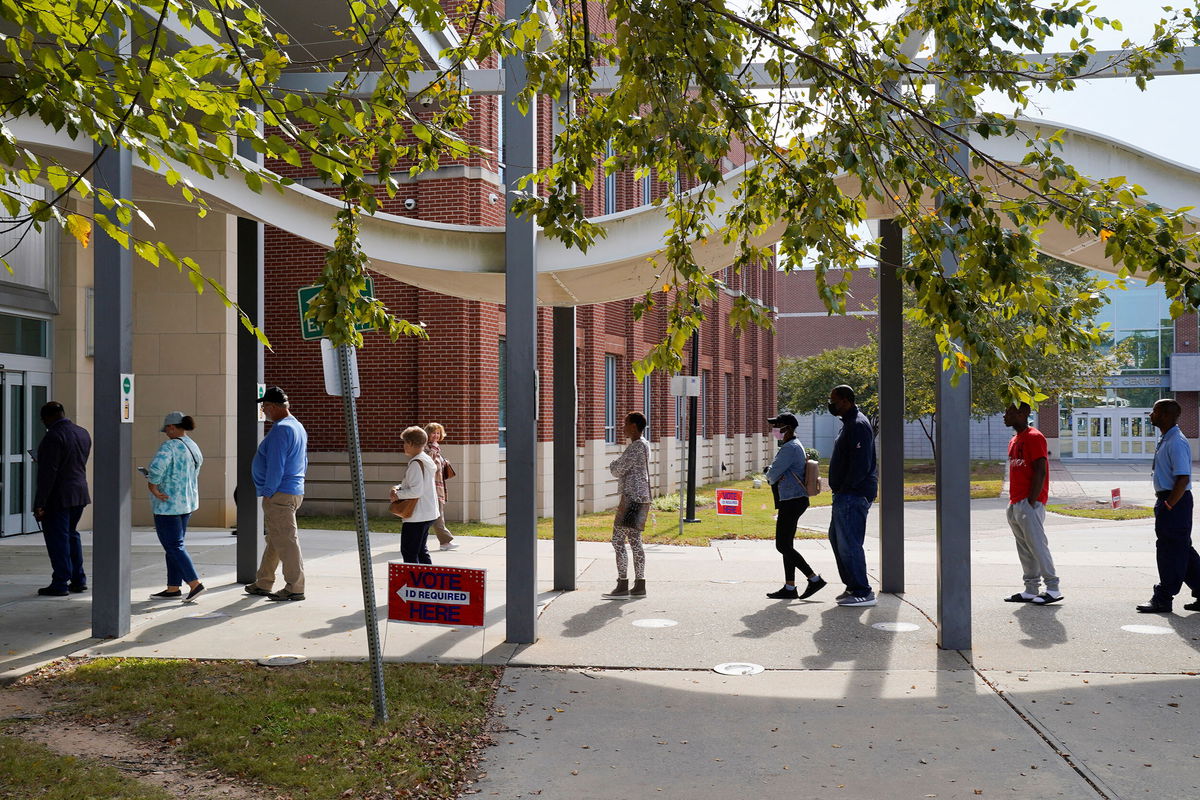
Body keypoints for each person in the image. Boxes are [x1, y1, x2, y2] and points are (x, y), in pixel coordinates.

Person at [245, 386, 309, 602]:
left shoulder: (282, 429)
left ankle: (295, 587)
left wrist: (269, 492)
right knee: (276, 538)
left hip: (280, 493)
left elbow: (276, 465)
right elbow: (303, 461)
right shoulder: (297, 426)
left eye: (264, 407)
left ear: (272, 407)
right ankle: (264, 581)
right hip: (292, 490)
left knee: (286, 540)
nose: (264, 410)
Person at [1137, 399, 1200, 614]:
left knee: (1169, 551)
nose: (1150, 415)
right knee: (1182, 549)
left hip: (1175, 500)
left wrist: (1169, 505)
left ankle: (1163, 597)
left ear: (1164, 414)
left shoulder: (1176, 442)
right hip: (1171, 500)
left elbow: (1183, 477)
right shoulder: (1167, 438)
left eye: (1154, 411)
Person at [1001, 402, 1061, 605]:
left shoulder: (1034, 437)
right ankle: (1031, 589)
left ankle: (1052, 588)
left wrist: (1031, 501)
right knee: (1025, 549)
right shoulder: (1014, 440)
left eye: (1009, 412)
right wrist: (1015, 503)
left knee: (1037, 546)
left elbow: (1041, 470)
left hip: (1029, 504)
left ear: (1023, 413)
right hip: (1015, 502)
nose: (1004, 415)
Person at [764, 412, 826, 600]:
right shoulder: (793, 445)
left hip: (792, 500)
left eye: (777, 426)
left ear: (787, 428)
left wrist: (769, 472)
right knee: (786, 545)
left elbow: (772, 475)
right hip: (793, 499)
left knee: (782, 545)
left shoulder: (789, 448)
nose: (774, 429)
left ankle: (814, 579)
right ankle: (790, 588)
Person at [33, 401, 91, 597]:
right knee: (71, 535)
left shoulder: (53, 437)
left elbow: (48, 473)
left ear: (47, 417)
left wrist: (40, 502)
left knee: (58, 539)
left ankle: (60, 582)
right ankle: (78, 579)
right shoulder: (82, 432)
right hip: (79, 493)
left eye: (43, 420)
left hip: (58, 496)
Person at [827, 384, 878, 607]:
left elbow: (861, 464)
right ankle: (852, 586)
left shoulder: (857, 425)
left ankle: (862, 591)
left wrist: (846, 487)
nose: (831, 405)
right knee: (838, 540)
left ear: (846, 401)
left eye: (834, 401)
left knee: (850, 543)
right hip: (845, 494)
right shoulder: (849, 423)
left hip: (853, 495)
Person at [146, 412, 206, 603]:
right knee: (175, 546)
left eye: (166, 429)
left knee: (173, 546)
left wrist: (152, 485)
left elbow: (156, 469)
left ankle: (195, 584)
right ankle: (173, 587)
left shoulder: (169, 446)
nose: (165, 433)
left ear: (172, 427)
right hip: (186, 503)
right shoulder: (193, 445)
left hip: (167, 504)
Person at [602, 412, 651, 600]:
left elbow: (618, 469)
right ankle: (639, 585)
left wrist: (613, 464)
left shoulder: (635, 447)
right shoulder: (644, 444)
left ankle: (622, 584)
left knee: (617, 540)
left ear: (633, 426)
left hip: (632, 499)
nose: (622, 427)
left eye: (625, 423)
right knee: (635, 541)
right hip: (642, 497)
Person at [392, 426, 440, 564]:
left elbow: (416, 491)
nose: (404, 446)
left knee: (409, 552)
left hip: (417, 515)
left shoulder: (415, 464)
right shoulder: (425, 459)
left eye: (405, 442)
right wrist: (399, 488)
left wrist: (398, 495)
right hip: (428, 512)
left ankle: (414, 582)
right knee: (420, 550)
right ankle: (428, 582)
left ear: (412, 443)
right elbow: (418, 486)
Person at [424, 422, 458, 551]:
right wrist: (433, 451)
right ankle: (445, 542)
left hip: (438, 487)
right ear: (427, 433)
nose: (436, 435)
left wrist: (444, 463)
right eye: (433, 432)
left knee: (436, 514)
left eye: (438, 433)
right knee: (436, 515)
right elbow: (428, 464)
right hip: (430, 488)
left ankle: (442, 542)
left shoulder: (437, 448)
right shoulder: (427, 448)